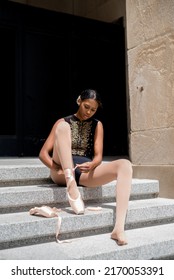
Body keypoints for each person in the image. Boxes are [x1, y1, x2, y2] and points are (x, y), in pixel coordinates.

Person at [39, 89, 132, 245]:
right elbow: (43, 154)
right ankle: (71, 186)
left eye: (93, 110)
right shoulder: (63, 121)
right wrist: (57, 168)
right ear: (79, 101)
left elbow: (98, 156)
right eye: (86, 106)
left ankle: (119, 229)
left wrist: (93, 164)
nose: (89, 112)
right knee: (63, 127)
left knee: (125, 165)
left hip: (83, 171)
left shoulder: (97, 125)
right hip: (61, 170)